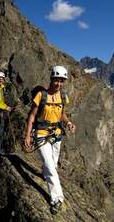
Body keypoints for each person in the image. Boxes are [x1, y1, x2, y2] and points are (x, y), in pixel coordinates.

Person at [24, 65, 76, 215]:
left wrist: (69, 123)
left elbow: (62, 114)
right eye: (56, 80)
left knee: (52, 165)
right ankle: (57, 199)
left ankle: (46, 174)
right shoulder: (41, 95)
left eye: (62, 81)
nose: (59, 83)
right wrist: (28, 135)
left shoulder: (63, 97)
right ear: (51, 79)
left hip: (56, 135)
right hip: (41, 134)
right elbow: (32, 116)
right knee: (51, 167)